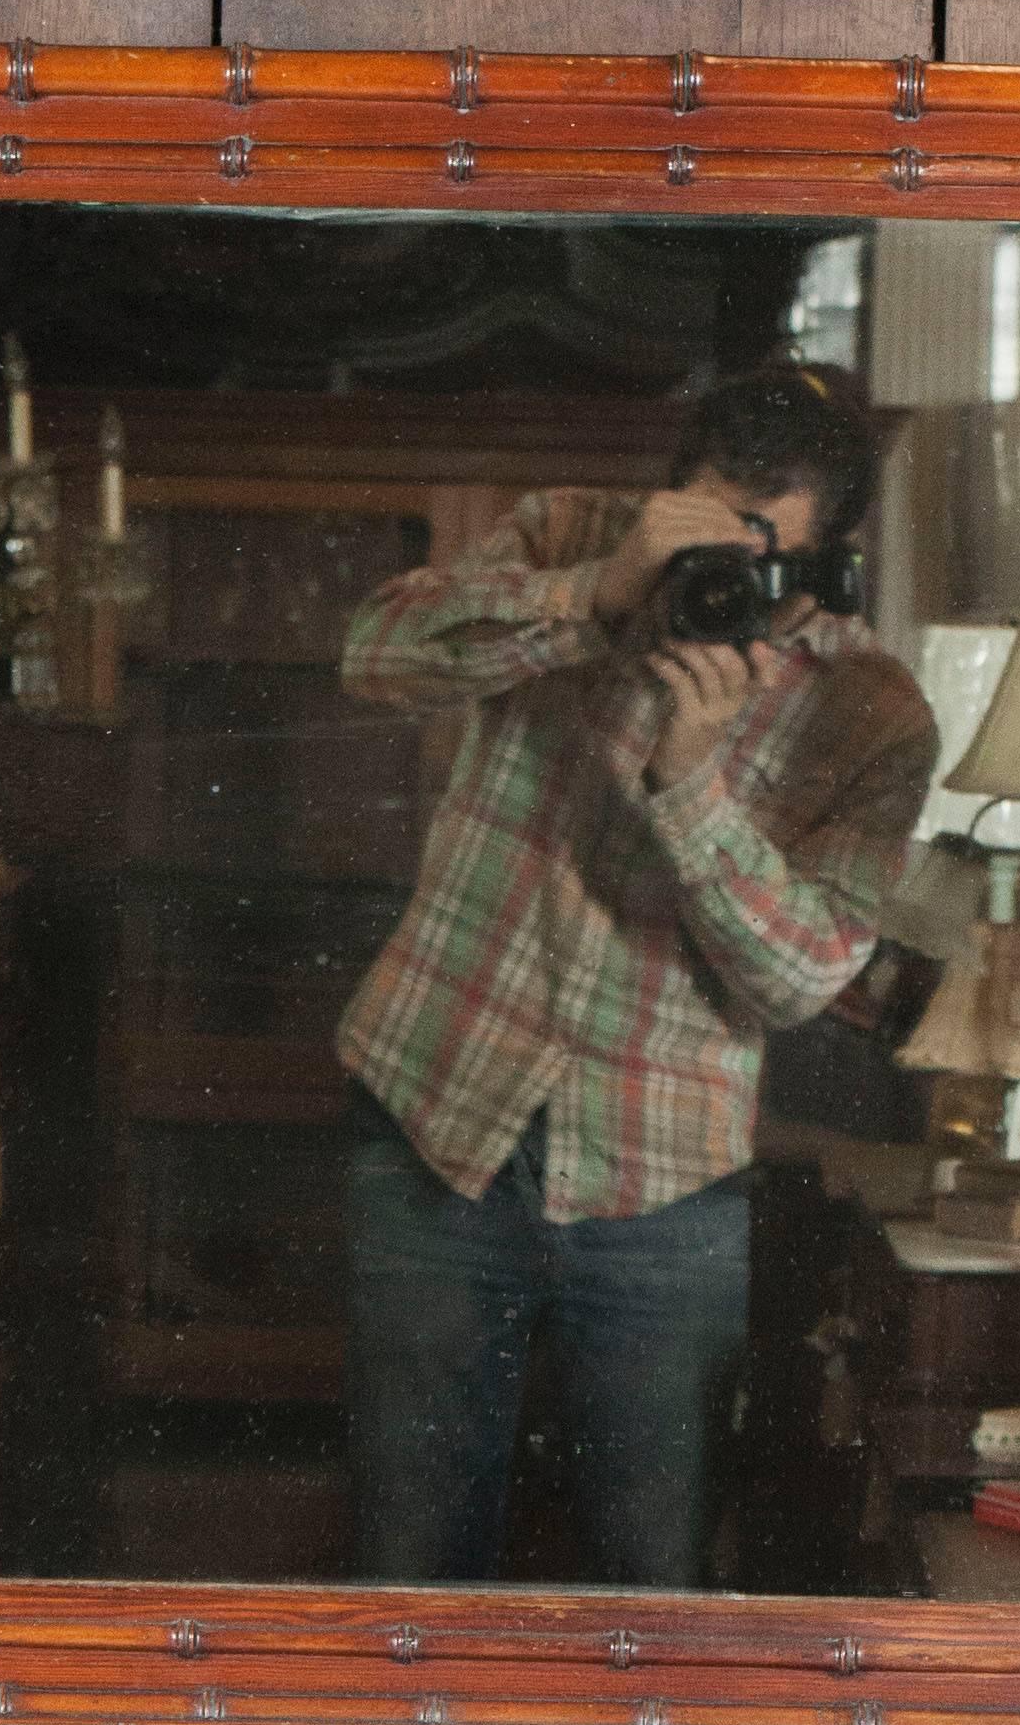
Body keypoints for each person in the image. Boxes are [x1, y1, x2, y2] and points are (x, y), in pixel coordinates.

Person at [334, 361, 931, 1589]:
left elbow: (803, 980)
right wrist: (594, 598)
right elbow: (373, 655)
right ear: (666, 498)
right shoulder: (568, 533)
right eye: (702, 530)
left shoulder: (873, 716)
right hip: (438, 1114)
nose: (718, 577)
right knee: (408, 1556)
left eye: (760, 549)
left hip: (666, 1180)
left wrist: (693, 782)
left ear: (821, 565)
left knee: (648, 1573)